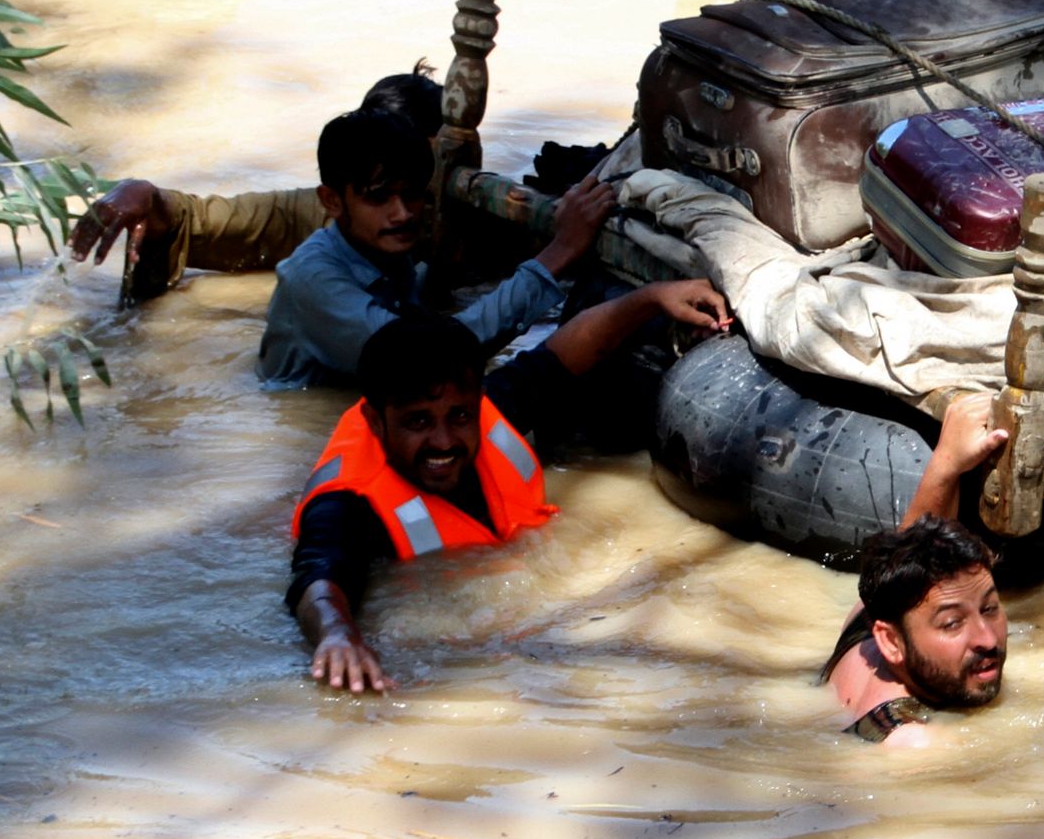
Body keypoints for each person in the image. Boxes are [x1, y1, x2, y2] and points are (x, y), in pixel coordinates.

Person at [293, 294, 728, 693]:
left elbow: (563, 354)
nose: (444, 441)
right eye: (418, 422)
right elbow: (318, 576)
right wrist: (337, 635)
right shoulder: (347, 503)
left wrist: (652, 298)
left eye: (459, 416)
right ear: (374, 421)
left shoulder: (485, 407)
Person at [256, 106, 617, 389]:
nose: (402, 214)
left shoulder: (384, 248)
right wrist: (560, 250)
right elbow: (429, 360)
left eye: (413, 195)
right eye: (379, 198)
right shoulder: (313, 278)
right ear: (331, 201)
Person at [69, 68, 449, 303]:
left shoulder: (477, 219)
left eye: (415, 178)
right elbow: (203, 221)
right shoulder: (324, 221)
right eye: (381, 188)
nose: (401, 209)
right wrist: (145, 195)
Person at [817, 393, 1012, 746]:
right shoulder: (912, 743)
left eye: (989, 608)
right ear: (891, 642)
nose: (987, 638)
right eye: (952, 623)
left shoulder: (869, 620)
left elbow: (915, 548)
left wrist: (947, 462)